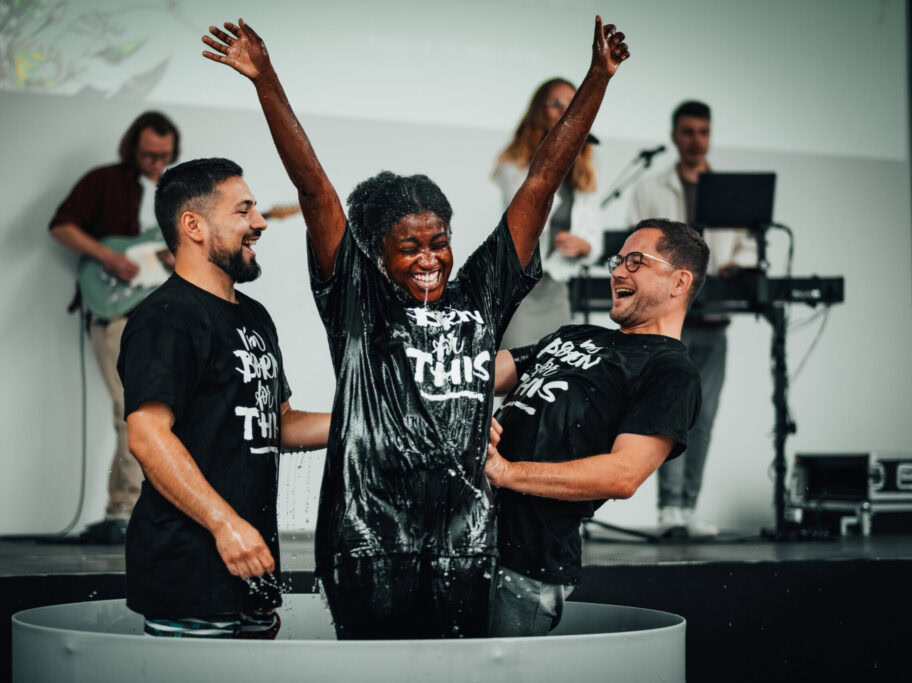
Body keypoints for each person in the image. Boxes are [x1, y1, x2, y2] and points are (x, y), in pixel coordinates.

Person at [201, 16, 629, 639]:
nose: (429, 258)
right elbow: (316, 192)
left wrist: (597, 79)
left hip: (468, 540)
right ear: (377, 254)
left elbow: (542, 180)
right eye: (409, 247)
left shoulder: (481, 296)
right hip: (366, 539)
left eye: (440, 243)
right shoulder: (356, 300)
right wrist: (266, 80)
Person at [118, 157, 330, 638]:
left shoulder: (254, 316)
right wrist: (224, 525)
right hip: (190, 571)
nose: (259, 223)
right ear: (193, 225)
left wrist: (370, 421)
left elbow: (281, 424)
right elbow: (148, 437)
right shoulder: (167, 318)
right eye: (243, 211)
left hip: (249, 572)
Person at [486, 218, 706, 636]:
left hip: (523, 564)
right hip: (463, 538)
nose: (618, 272)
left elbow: (623, 475)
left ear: (679, 281)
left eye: (636, 262)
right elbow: (480, 375)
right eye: (617, 261)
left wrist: (506, 472)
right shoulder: (574, 334)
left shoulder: (671, 370)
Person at [626, 100, 757, 537]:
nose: (695, 139)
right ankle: (669, 510)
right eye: (687, 131)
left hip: (715, 323)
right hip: (670, 325)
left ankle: (688, 506)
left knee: (705, 418)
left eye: (703, 131)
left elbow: (748, 246)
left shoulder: (732, 190)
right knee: (668, 415)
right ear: (674, 134)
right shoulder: (651, 186)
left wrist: (738, 265)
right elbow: (634, 246)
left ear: (710, 134)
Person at [49, 111, 180, 542]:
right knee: (132, 411)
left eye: (164, 155)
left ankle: (150, 508)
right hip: (115, 315)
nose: (156, 164)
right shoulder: (104, 181)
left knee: (159, 411)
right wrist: (108, 256)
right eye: (148, 155)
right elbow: (62, 226)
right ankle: (123, 509)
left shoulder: (180, 193)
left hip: (161, 317)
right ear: (132, 148)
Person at [493, 78, 603, 348]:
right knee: (513, 374)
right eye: (556, 104)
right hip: (519, 289)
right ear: (538, 111)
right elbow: (527, 212)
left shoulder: (586, 170)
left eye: (571, 105)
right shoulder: (514, 165)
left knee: (554, 371)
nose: (565, 111)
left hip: (557, 287)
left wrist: (584, 246)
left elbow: (596, 242)